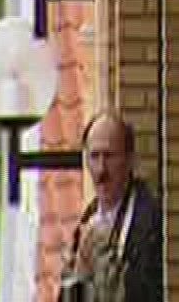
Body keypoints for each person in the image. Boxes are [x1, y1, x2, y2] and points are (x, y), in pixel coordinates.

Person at [60, 111, 163, 302]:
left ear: (130, 160)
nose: (101, 170)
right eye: (94, 156)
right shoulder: (85, 225)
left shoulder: (154, 221)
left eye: (109, 156)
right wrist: (79, 269)